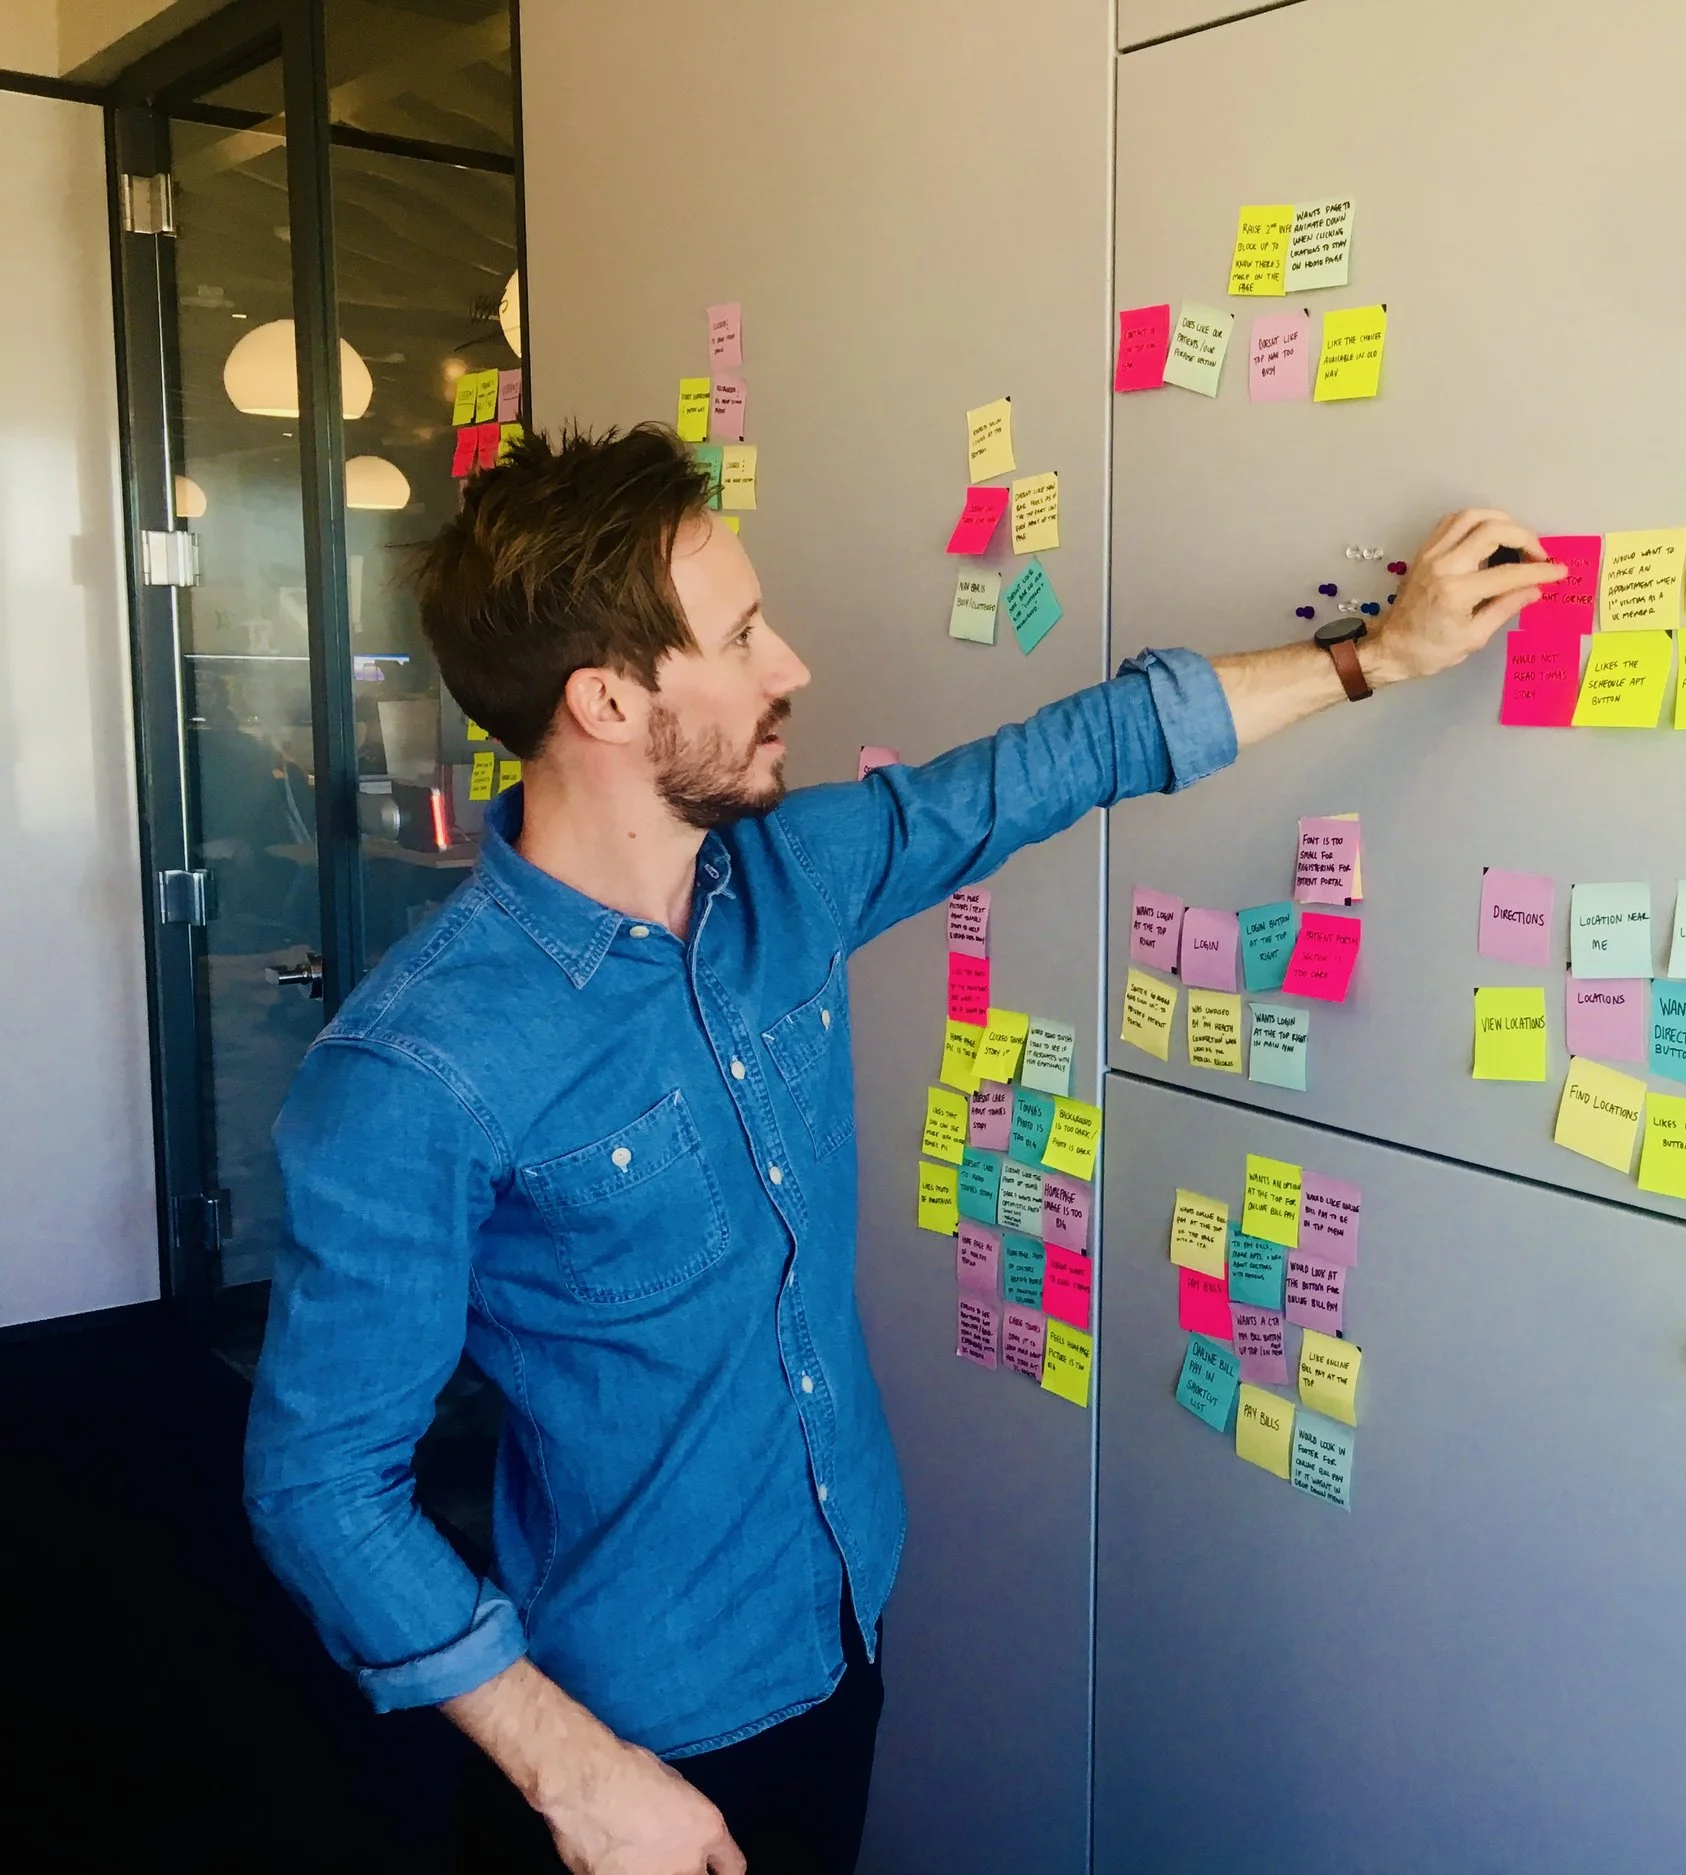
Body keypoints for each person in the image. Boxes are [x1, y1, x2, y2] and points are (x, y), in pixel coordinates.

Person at [242, 424, 1556, 1875]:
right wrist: (579, 1776)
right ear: (607, 699)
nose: (789, 663)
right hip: (635, 1723)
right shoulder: (415, 1067)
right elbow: (318, 1482)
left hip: (846, 1610)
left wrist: (1378, 656)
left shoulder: (786, 880)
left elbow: (1064, 758)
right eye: (740, 636)